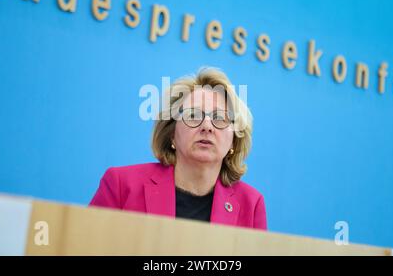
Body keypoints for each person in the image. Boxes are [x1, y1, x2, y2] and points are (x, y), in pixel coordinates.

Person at [89, 67, 267, 230]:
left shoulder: (251, 204)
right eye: (192, 115)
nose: (207, 126)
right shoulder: (122, 185)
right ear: (172, 133)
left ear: (234, 141)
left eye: (219, 118)